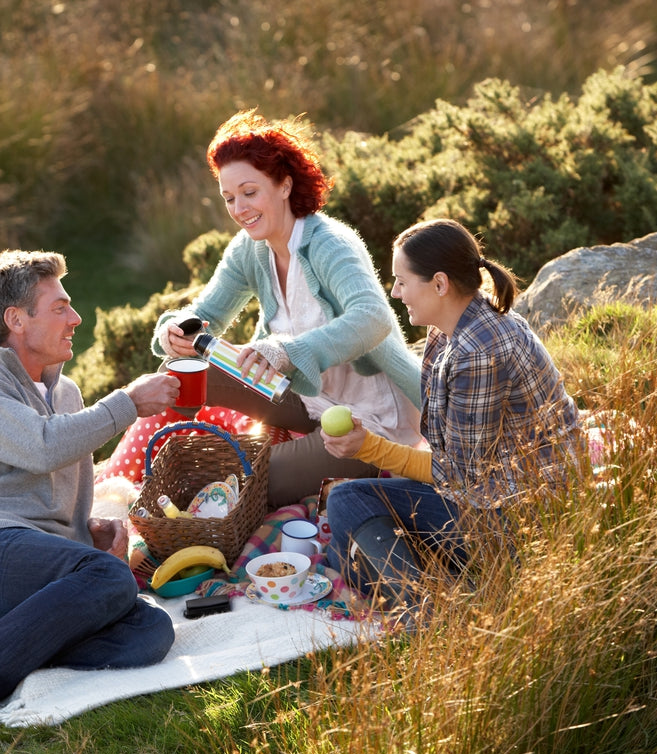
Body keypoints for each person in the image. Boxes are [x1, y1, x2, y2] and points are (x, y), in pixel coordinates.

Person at [0, 250, 180, 750]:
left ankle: (1, 653)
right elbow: (41, 447)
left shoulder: (65, 393)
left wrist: (83, 530)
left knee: (149, 629)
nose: (76, 318)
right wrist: (129, 402)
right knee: (109, 577)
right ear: (15, 320)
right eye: (60, 307)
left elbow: (48, 489)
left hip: (23, 573)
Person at [151, 109, 423, 508]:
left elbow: (374, 317)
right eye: (229, 198)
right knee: (174, 376)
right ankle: (171, 460)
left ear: (284, 185)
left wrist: (285, 352)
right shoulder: (250, 248)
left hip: (366, 416)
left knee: (251, 479)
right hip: (300, 396)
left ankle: (221, 482)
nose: (239, 208)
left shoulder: (330, 244)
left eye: (249, 192)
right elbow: (205, 311)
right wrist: (174, 330)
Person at [321, 218, 585, 623]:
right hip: (497, 494)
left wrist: (368, 447)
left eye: (402, 281)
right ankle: (447, 583)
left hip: (523, 522)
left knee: (347, 502)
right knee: (344, 546)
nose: (395, 292)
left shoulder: (477, 351)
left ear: (440, 284)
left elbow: (458, 475)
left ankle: (420, 614)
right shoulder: (454, 328)